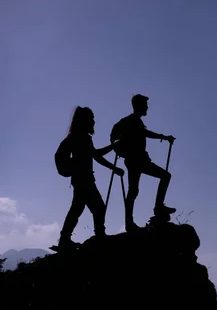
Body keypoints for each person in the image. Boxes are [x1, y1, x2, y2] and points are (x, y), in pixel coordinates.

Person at [57, 106, 124, 249]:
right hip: (84, 179)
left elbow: (94, 155)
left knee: (77, 209)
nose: (94, 122)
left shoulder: (76, 137)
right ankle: (99, 235)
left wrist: (114, 168)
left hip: (80, 179)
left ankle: (65, 239)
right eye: (91, 119)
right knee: (97, 207)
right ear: (85, 121)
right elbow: (96, 155)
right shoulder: (81, 138)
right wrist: (113, 147)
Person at [111, 94, 176, 232]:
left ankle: (133, 220)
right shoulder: (132, 121)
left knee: (134, 190)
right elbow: (145, 133)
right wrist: (164, 137)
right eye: (145, 105)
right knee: (163, 177)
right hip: (136, 160)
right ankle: (156, 208)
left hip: (137, 160)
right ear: (138, 106)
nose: (147, 107)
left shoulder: (132, 121)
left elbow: (141, 133)